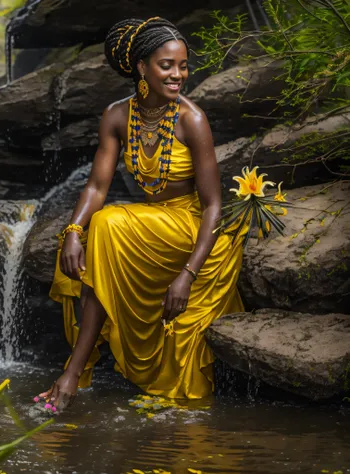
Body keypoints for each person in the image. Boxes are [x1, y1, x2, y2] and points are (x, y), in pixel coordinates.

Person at [39, 17, 244, 409]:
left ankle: (72, 374)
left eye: (183, 65)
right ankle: (74, 375)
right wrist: (71, 230)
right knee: (100, 227)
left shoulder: (192, 120)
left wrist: (187, 275)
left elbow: (214, 205)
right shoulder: (117, 116)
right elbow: (97, 186)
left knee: (110, 224)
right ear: (142, 68)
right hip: (151, 225)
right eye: (167, 65)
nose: (178, 75)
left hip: (189, 226)